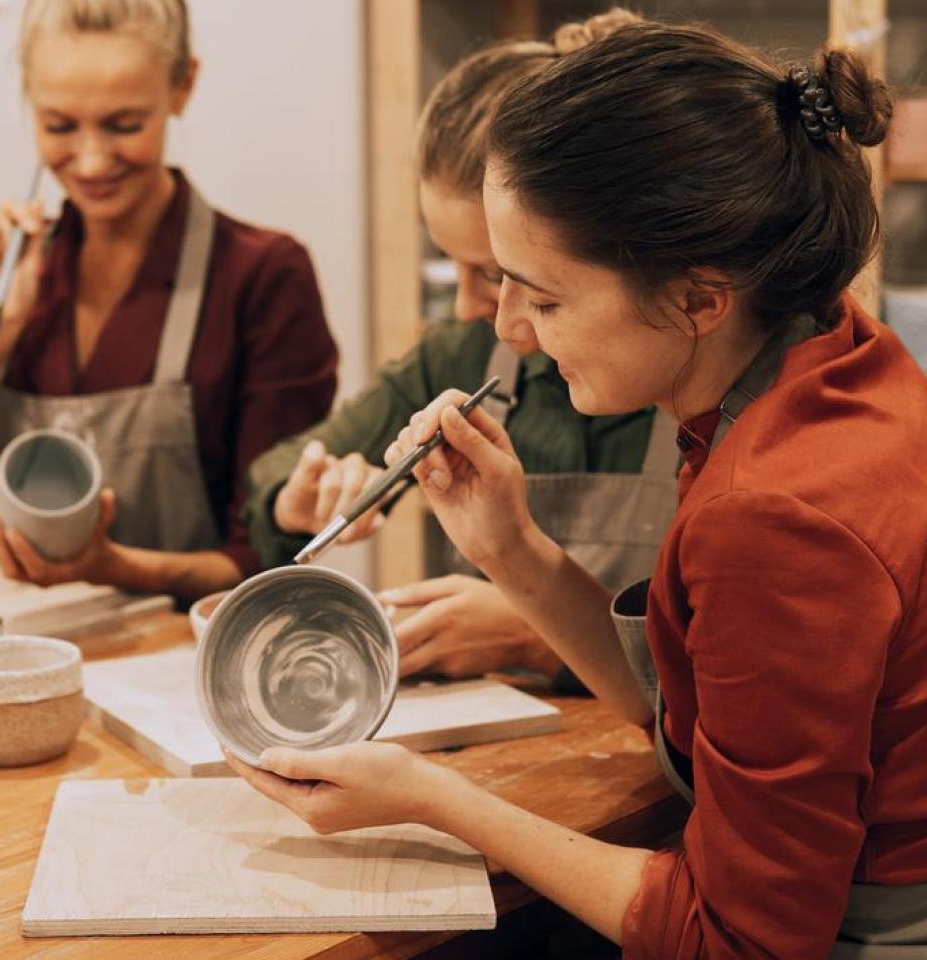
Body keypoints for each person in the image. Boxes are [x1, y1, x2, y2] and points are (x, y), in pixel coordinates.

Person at [230, 17, 927, 959]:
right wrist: (511, 549)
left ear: (698, 299)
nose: (511, 329)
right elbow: (687, 715)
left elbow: (737, 938)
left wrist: (437, 800)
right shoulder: (824, 349)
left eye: (542, 293)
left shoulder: (777, 511)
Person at [0, 0, 337, 602]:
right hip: (37, 656)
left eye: (124, 124)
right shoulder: (9, 274)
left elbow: (270, 558)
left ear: (183, 87)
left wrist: (107, 566)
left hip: (194, 662)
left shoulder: (260, 276)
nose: (93, 159)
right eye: (59, 126)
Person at [242, 10, 675, 681]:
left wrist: (538, 630)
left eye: (504, 275)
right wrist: (301, 496)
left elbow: (728, 687)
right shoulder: (460, 356)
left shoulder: (686, 383)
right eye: (451, 266)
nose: (485, 312)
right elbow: (278, 473)